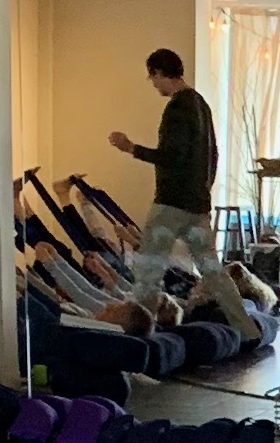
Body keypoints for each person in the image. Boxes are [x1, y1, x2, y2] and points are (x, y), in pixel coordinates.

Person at [108, 50, 257, 339]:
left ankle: (140, 337)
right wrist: (204, 190)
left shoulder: (177, 107)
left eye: (152, 77)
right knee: (213, 271)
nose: (153, 84)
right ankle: (248, 330)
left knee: (148, 270)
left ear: (159, 72)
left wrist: (131, 148)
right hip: (197, 204)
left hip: (171, 204)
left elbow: (172, 156)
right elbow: (213, 155)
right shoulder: (200, 104)